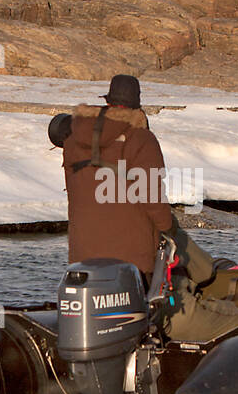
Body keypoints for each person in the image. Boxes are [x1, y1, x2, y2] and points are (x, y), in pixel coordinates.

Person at [50, 74, 175, 279]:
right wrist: (168, 228)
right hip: (132, 261)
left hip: (83, 256)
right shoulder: (142, 139)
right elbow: (153, 198)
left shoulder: (74, 137)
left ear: (108, 101)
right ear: (137, 104)